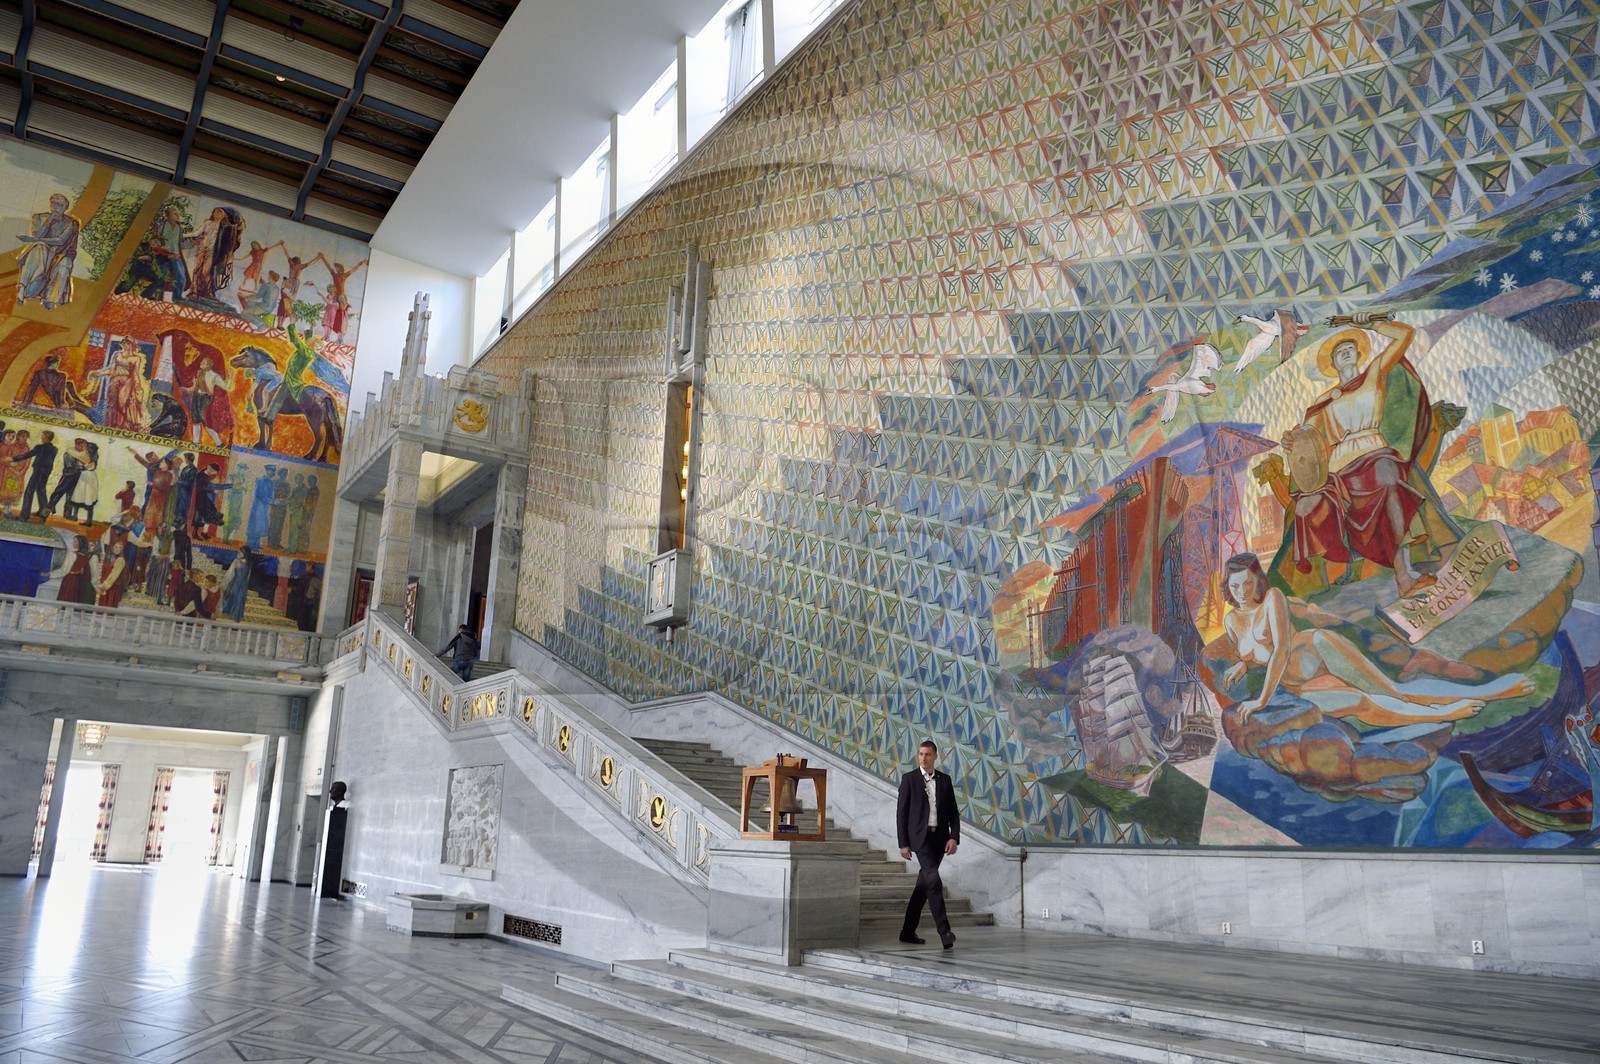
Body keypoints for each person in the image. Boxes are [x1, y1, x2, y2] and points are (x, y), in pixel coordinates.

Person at [1218, 553, 1536, 727]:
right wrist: (1241, 666)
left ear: (1257, 581)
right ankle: (1445, 713)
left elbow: (1281, 650)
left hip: (1316, 648)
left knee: (1391, 690)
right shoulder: (1230, 621)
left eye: (1247, 584)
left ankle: (1491, 692)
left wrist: (1260, 701)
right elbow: (1256, 652)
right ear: (1227, 588)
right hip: (1299, 683)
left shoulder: (1273, 598)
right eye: (1234, 587)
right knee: (1363, 704)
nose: (1242, 593)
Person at [1281, 312, 1459, 595]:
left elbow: (1405, 336)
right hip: (1340, 467)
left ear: (1359, 354)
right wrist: (1290, 442)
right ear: (1333, 364)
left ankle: (1405, 575)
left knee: (1388, 481)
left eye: (1350, 348)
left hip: (1375, 452)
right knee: (1309, 507)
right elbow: (1307, 442)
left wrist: (1372, 324)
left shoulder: (1374, 374)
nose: (1346, 352)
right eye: (1340, 352)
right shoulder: (1322, 401)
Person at [895, 739, 961, 950]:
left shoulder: (944, 780)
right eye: (921, 754)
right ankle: (945, 932)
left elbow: (953, 814)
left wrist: (954, 837)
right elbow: (901, 814)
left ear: (935, 756)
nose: (923, 758)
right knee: (933, 882)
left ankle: (907, 931)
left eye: (927, 754)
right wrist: (903, 844)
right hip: (920, 840)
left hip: (939, 841)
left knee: (923, 887)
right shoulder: (909, 779)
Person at [15, 193, 80, 309]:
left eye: (60, 205)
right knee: (40, 247)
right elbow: (37, 234)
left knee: (65, 263)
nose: (56, 207)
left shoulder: (71, 223)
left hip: (60, 254)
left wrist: (33, 239)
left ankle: (50, 299)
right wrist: (49, 220)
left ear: (65, 207)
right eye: (54, 203)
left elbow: (61, 241)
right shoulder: (39, 217)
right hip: (41, 252)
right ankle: (22, 287)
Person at [7, 430, 57, 521]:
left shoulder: (39, 447)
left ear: (46, 438)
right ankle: (43, 515)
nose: (41, 438)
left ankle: (24, 516)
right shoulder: (54, 449)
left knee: (29, 492)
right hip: (46, 472)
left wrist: (13, 458)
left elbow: (27, 455)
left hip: (38, 471)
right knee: (41, 492)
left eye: (42, 436)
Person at [18, 353, 91, 412]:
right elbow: (60, 389)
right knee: (82, 407)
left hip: (59, 395)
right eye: (57, 363)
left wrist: (25, 402)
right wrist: (61, 403)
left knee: (69, 384)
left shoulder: (39, 373)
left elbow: (32, 387)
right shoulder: (61, 375)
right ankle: (73, 401)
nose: (57, 365)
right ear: (53, 364)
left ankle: (75, 400)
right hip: (58, 398)